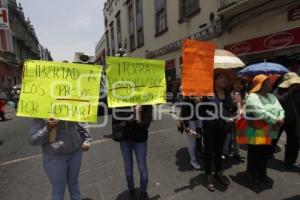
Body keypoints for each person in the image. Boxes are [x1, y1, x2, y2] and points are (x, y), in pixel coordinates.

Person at [29, 118, 91, 200]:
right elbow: (33, 140)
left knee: (74, 186)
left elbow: (82, 120)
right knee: (58, 191)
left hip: (76, 152)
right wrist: (47, 128)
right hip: (55, 157)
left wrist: (86, 139)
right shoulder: (41, 111)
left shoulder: (73, 104)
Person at [200, 70, 236, 192]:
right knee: (209, 153)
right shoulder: (208, 93)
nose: (224, 80)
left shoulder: (228, 94)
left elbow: (230, 109)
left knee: (219, 152)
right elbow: (201, 112)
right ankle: (209, 176)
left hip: (223, 128)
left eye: (225, 78)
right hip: (210, 128)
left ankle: (219, 173)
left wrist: (234, 111)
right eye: (221, 77)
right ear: (214, 81)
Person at [245, 74, 284, 183]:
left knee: (264, 152)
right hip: (256, 128)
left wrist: (281, 118)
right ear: (260, 84)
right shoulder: (252, 96)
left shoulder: (272, 96)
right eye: (267, 82)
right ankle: (251, 173)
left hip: (270, 129)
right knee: (254, 152)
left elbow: (280, 109)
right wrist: (276, 120)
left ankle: (262, 173)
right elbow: (258, 111)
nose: (270, 83)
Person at [112, 105, 152, 200]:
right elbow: (116, 121)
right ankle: (131, 189)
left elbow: (146, 124)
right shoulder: (120, 102)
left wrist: (139, 114)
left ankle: (143, 191)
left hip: (140, 140)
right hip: (125, 139)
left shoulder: (147, 105)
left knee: (142, 167)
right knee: (128, 168)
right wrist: (131, 113)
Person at [274, 72, 300, 169]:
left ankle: (290, 161)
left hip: (294, 120)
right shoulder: (279, 90)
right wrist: (288, 93)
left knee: (293, 142)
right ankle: (269, 153)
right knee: (274, 136)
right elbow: (277, 101)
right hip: (280, 118)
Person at [223, 78, 246, 162]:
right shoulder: (229, 94)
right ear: (233, 84)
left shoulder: (245, 95)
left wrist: (241, 104)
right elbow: (228, 105)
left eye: (240, 84)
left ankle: (236, 153)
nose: (238, 85)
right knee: (227, 137)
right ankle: (225, 153)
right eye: (236, 83)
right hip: (230, 118)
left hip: (240, 119)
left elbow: (245, 107)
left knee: (237, 138)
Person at [179, 96, 202, 170]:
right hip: (190, 120)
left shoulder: (201, 95)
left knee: (200, 136)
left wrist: (200, 103)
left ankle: (199, 150)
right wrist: (186, 126)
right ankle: (193, 160)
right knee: (192, 141)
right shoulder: (187, 98)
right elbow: (184, 111)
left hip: (199, 118)